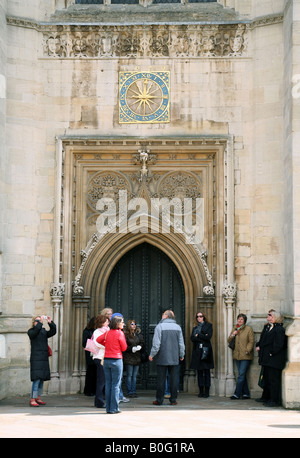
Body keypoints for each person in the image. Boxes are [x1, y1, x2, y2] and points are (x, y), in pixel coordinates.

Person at [149, 309, 185, 406]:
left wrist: (152, 354)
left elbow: (156, 344)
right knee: (173, 379)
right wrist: (181, 355)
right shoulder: (178, 327)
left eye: (163, 314)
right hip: (174, 357)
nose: (162, 315)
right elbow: (181, 344)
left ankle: (159, 400)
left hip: (162, 357)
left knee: (161, 379)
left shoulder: (159, 326)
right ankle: (173, 400)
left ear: (167, 316)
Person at [97, 315, 127, 414]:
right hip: (117, 360)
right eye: (122, 322)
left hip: (107, 360)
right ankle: (114, 408)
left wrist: (107, 344)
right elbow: (124, 348)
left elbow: (98, 340)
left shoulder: (107, 333)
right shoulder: (120, 333)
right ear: (117, 323)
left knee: (109, 384)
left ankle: (108, 408)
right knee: (116, 385)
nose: (123, 324)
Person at [255, 310, 287, 406]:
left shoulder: (279, 329)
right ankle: (266, 397)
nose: (268, 317)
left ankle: (274, 400)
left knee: (273, 380)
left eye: (270, 315)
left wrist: (271, 353)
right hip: (266, 359)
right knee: (267, 379)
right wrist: (258, 345)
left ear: (275, 318)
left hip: (274, 359)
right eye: (268, 315)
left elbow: (279, 344)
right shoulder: (267, 327)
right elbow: (263, 339)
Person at [27, 315, 56, 407]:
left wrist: (50, 323)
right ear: (33, 322)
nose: (39, 322)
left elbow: (52, 332)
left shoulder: (43, 331)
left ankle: (38, 397)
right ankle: (32, 398)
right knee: (37, 379)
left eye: (40, 320)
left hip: (43, 358)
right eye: (37, 320)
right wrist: (40, 322)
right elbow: (36, 331)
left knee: (42, 379)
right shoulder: (31, 332)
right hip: (36, 358)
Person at [227, 313, 254, 400]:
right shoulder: (235, 328)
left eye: (241, 319)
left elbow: (251, 341)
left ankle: (237, 394)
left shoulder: (248, 329)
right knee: (242, 375)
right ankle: (246, 394)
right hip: (237, 355)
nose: (239, 320)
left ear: (244, 321)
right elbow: (229, 340)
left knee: (241, 375)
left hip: (245, 356)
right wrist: (233, 334)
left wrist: (247, 350)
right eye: (239, 319)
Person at [190, 311, 214, 398]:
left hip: (206, 351)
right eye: (197, 317)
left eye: (200, 316)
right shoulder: (195, 328)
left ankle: (207, 391)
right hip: (197, 351)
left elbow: (208, 337)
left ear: (204, 317)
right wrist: (201, 336)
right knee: (199, 372)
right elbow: (192, 338)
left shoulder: (209, 325)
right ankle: (201, 391)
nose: (199, 318)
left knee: (207, 371)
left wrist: (199, 335)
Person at [123, 319, 144, 397]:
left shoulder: (138, 334)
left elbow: (142, 343)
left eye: (134, 324)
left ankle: (133, 391)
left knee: (134, 376)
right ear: (129, 325)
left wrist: (140, 346)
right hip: (129, 357)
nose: (134, 325)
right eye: (132, 324)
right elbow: (124, 346)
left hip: (137, 357)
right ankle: (129, 391)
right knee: (129, 375)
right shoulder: (126, 335)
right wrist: (132, 348)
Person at [92, 314, 110, 408]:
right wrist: (108, 346)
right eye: (106, 321)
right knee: (101, 381)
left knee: (105, 380)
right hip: (99, 357)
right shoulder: (97, 332)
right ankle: (98, 402)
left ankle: (105, 399)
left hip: (106, 357)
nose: (108, 322)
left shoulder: (108, 330)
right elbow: (96, 343)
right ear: (102, 322)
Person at [82, 316, 97, 396]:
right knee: (90, 372)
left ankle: (94, 390)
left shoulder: (97, 331)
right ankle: (88, 390)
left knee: (96, 373)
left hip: (97, 353)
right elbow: (84, 343)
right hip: (90, 353)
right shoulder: (87, 331)